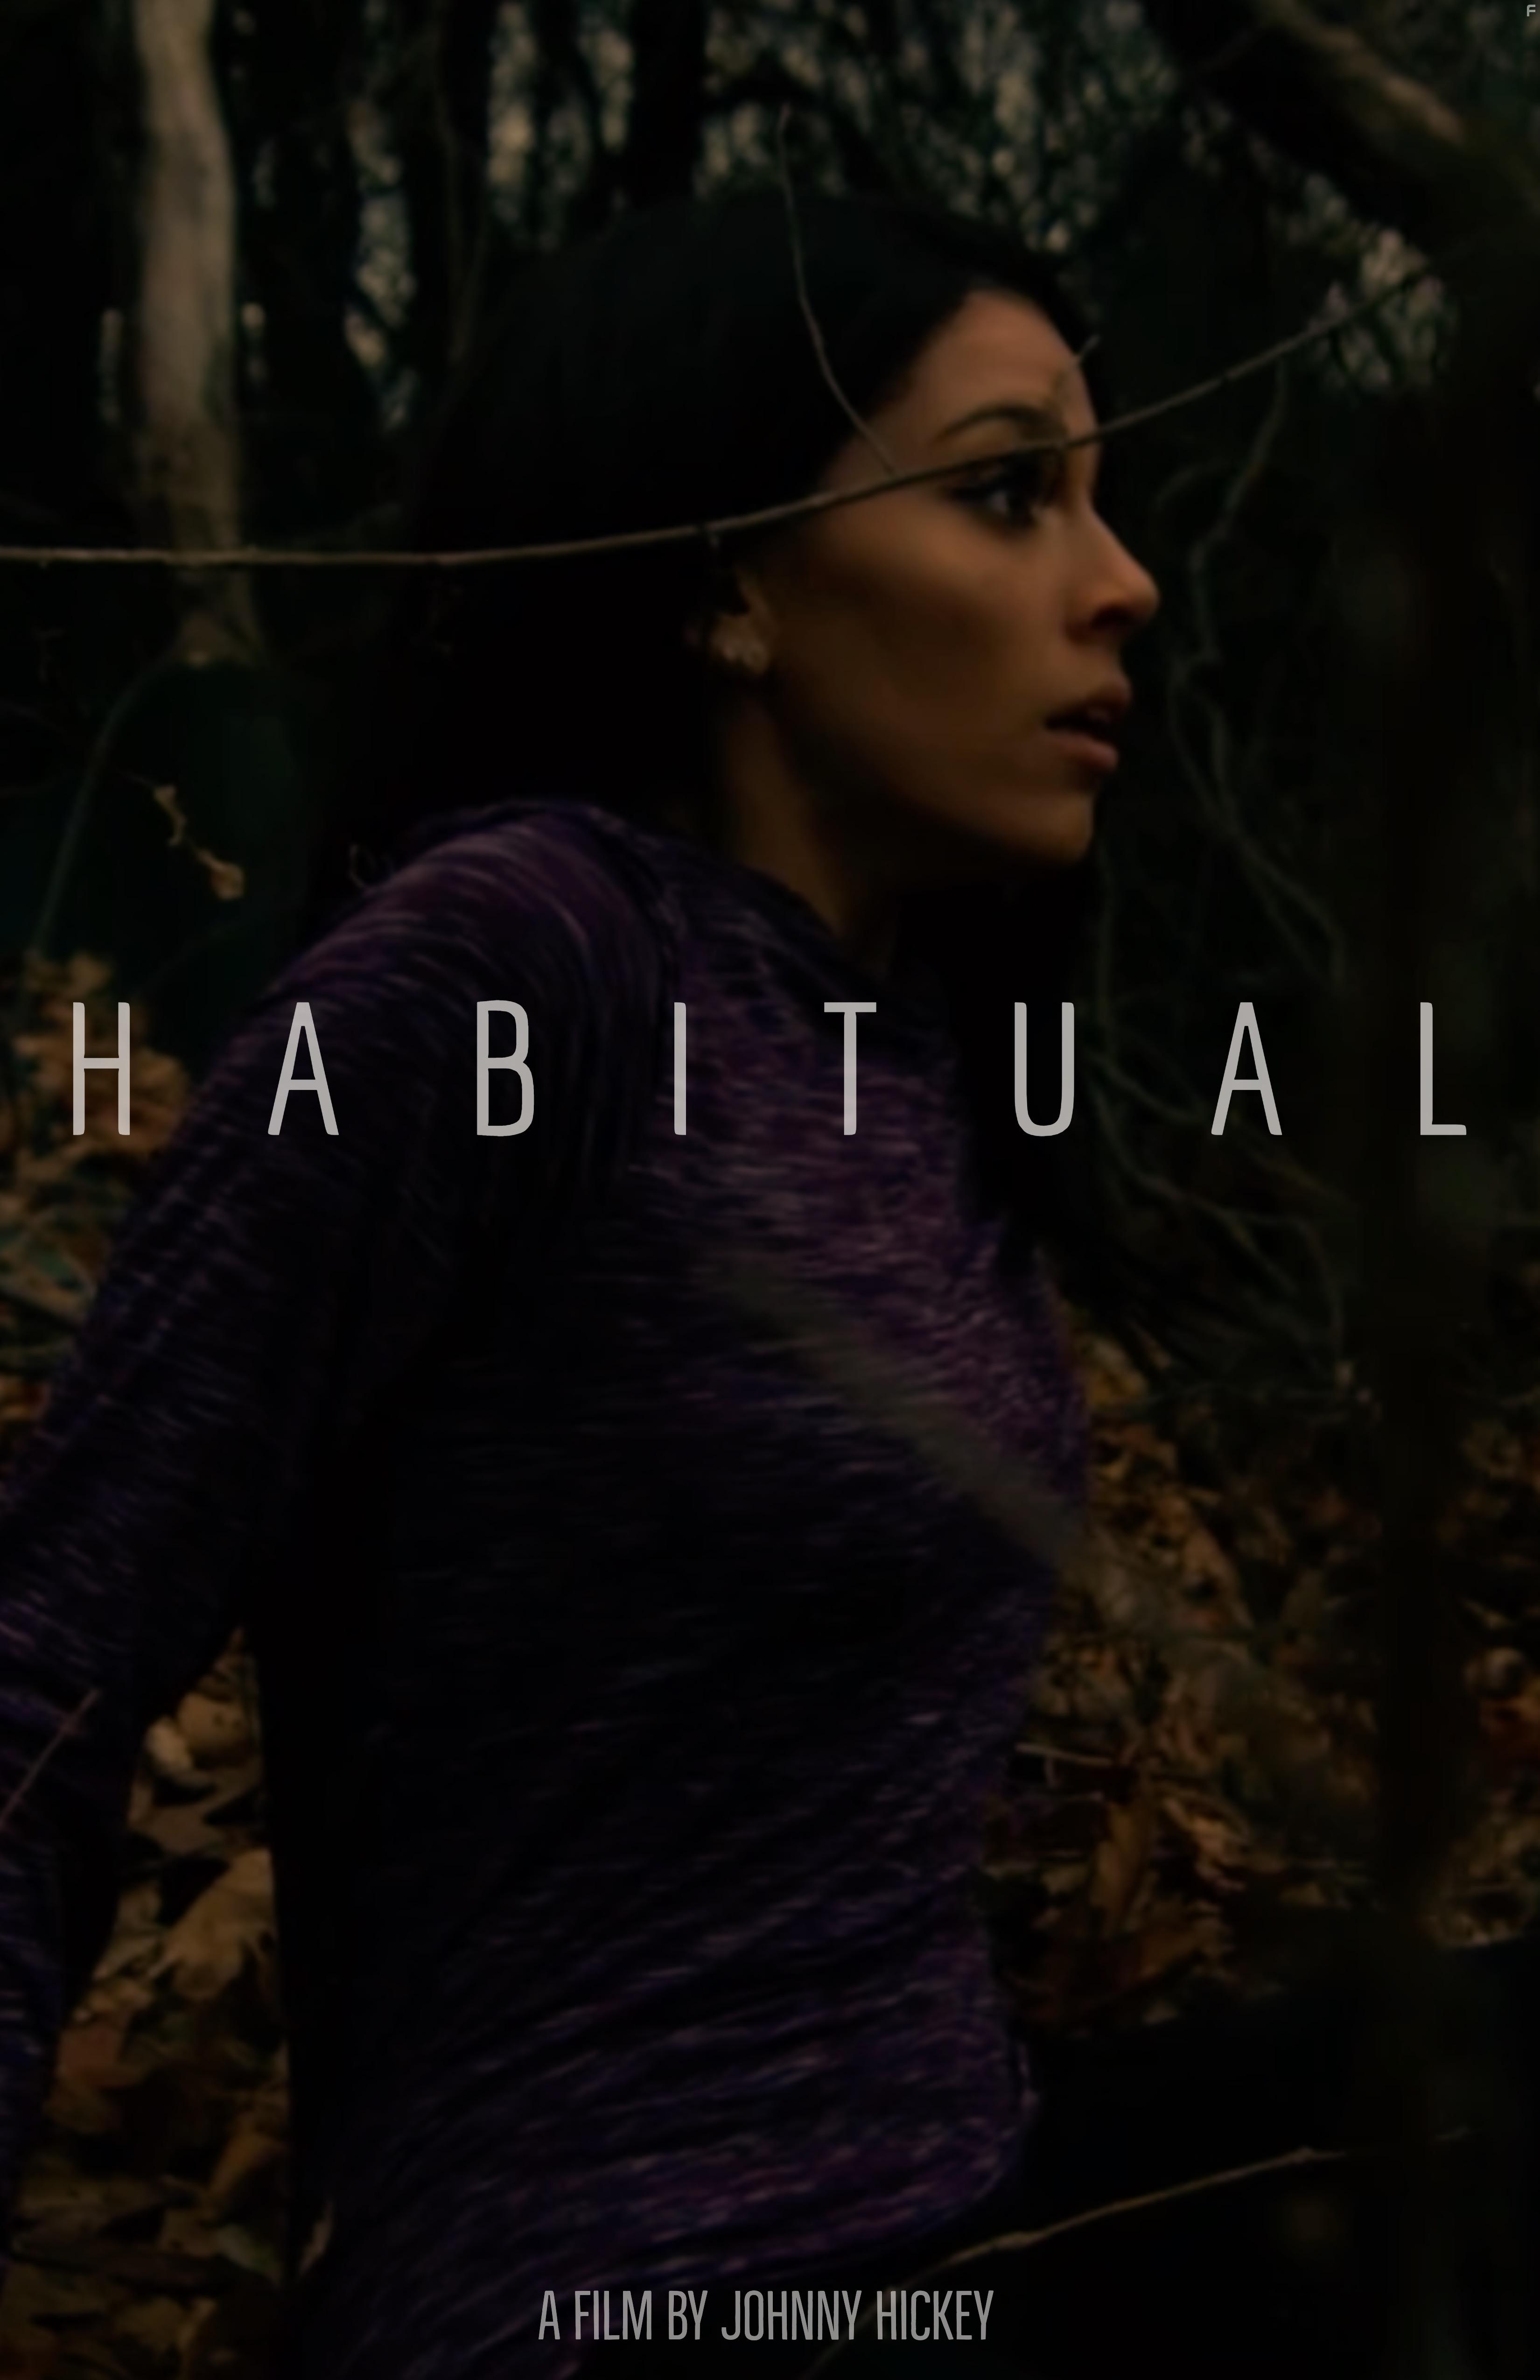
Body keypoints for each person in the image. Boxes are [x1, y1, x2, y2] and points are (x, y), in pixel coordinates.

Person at [0, 186, 1158, 2377]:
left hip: (965, 2214)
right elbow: (38, 1665)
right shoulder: (517, 964)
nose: (1125, 582)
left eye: (1106, 500)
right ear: (728, 580)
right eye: (1011, 492)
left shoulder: (908, 1031)